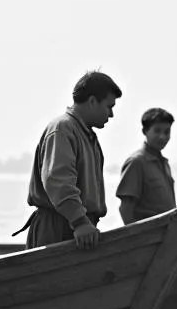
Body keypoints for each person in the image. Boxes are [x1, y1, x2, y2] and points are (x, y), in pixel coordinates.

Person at [21, 71, 122, 249]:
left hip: (77, 227)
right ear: (92, 101)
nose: (111, 114)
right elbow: (58, 181)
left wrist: (84, 223)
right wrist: (80, 222)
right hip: (59, 227)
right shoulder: (63, 129)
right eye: (109, 106)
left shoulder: (86, 135)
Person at [117, 107, 176, 224]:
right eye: (157, 131)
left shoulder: (164, 164)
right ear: (145, 131)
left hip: (165, 236)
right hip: (147, 238)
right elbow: (125, 209)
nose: (162, 136)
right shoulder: (137, 162)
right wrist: (137, 239)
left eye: (167, 131)